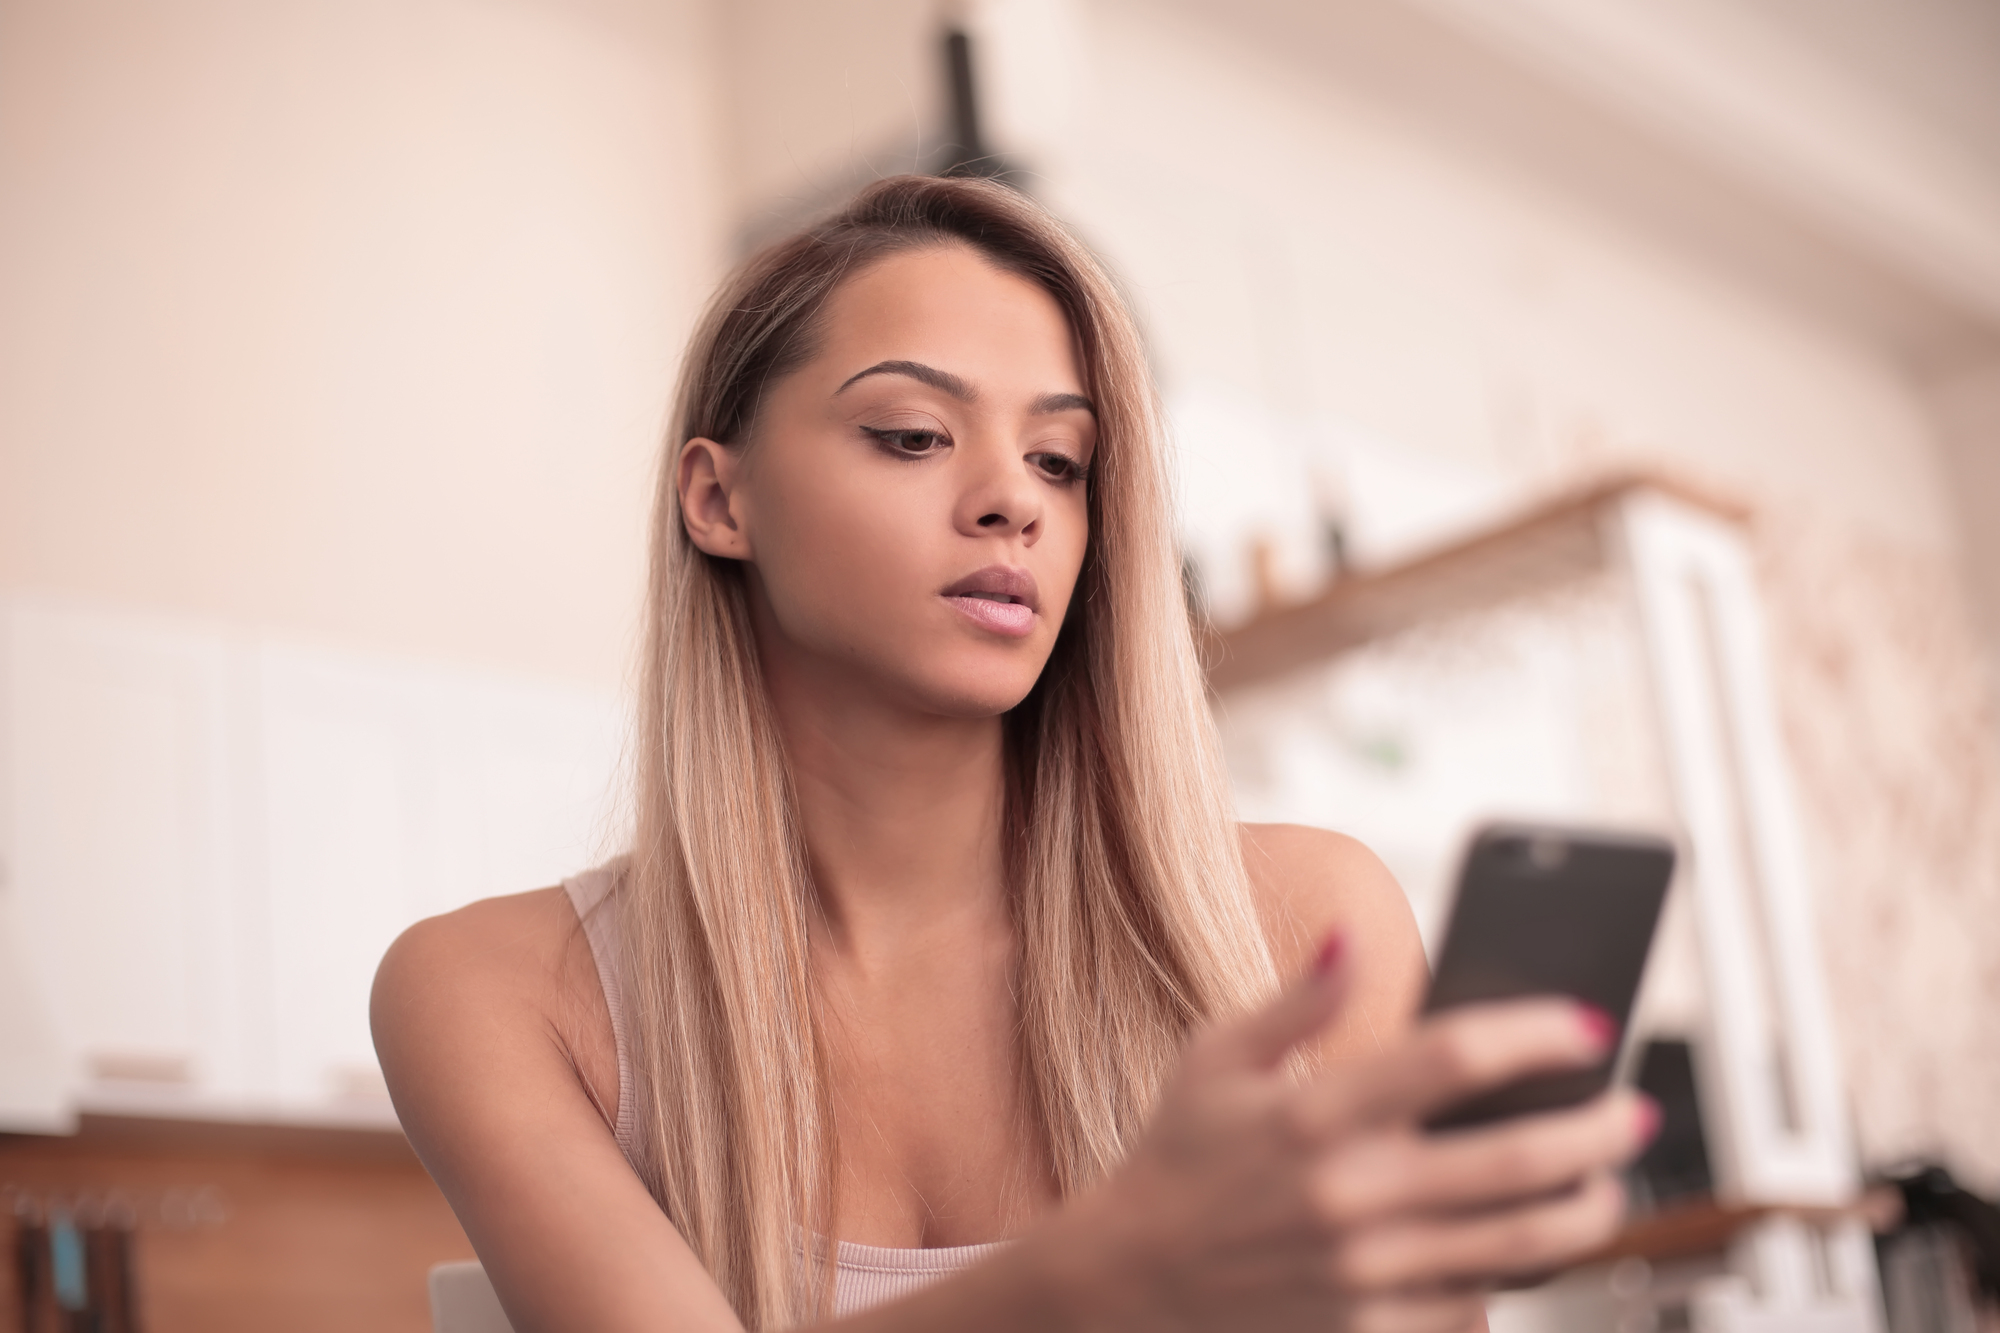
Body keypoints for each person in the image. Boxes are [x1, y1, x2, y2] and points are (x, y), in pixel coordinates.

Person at [372, 174, 1653, 1333]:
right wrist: (1117, 1262)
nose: (1013, 499)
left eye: (1061, 458)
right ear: (721, 500)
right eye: (913, 434)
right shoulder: (497, 993)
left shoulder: (1304, 931)